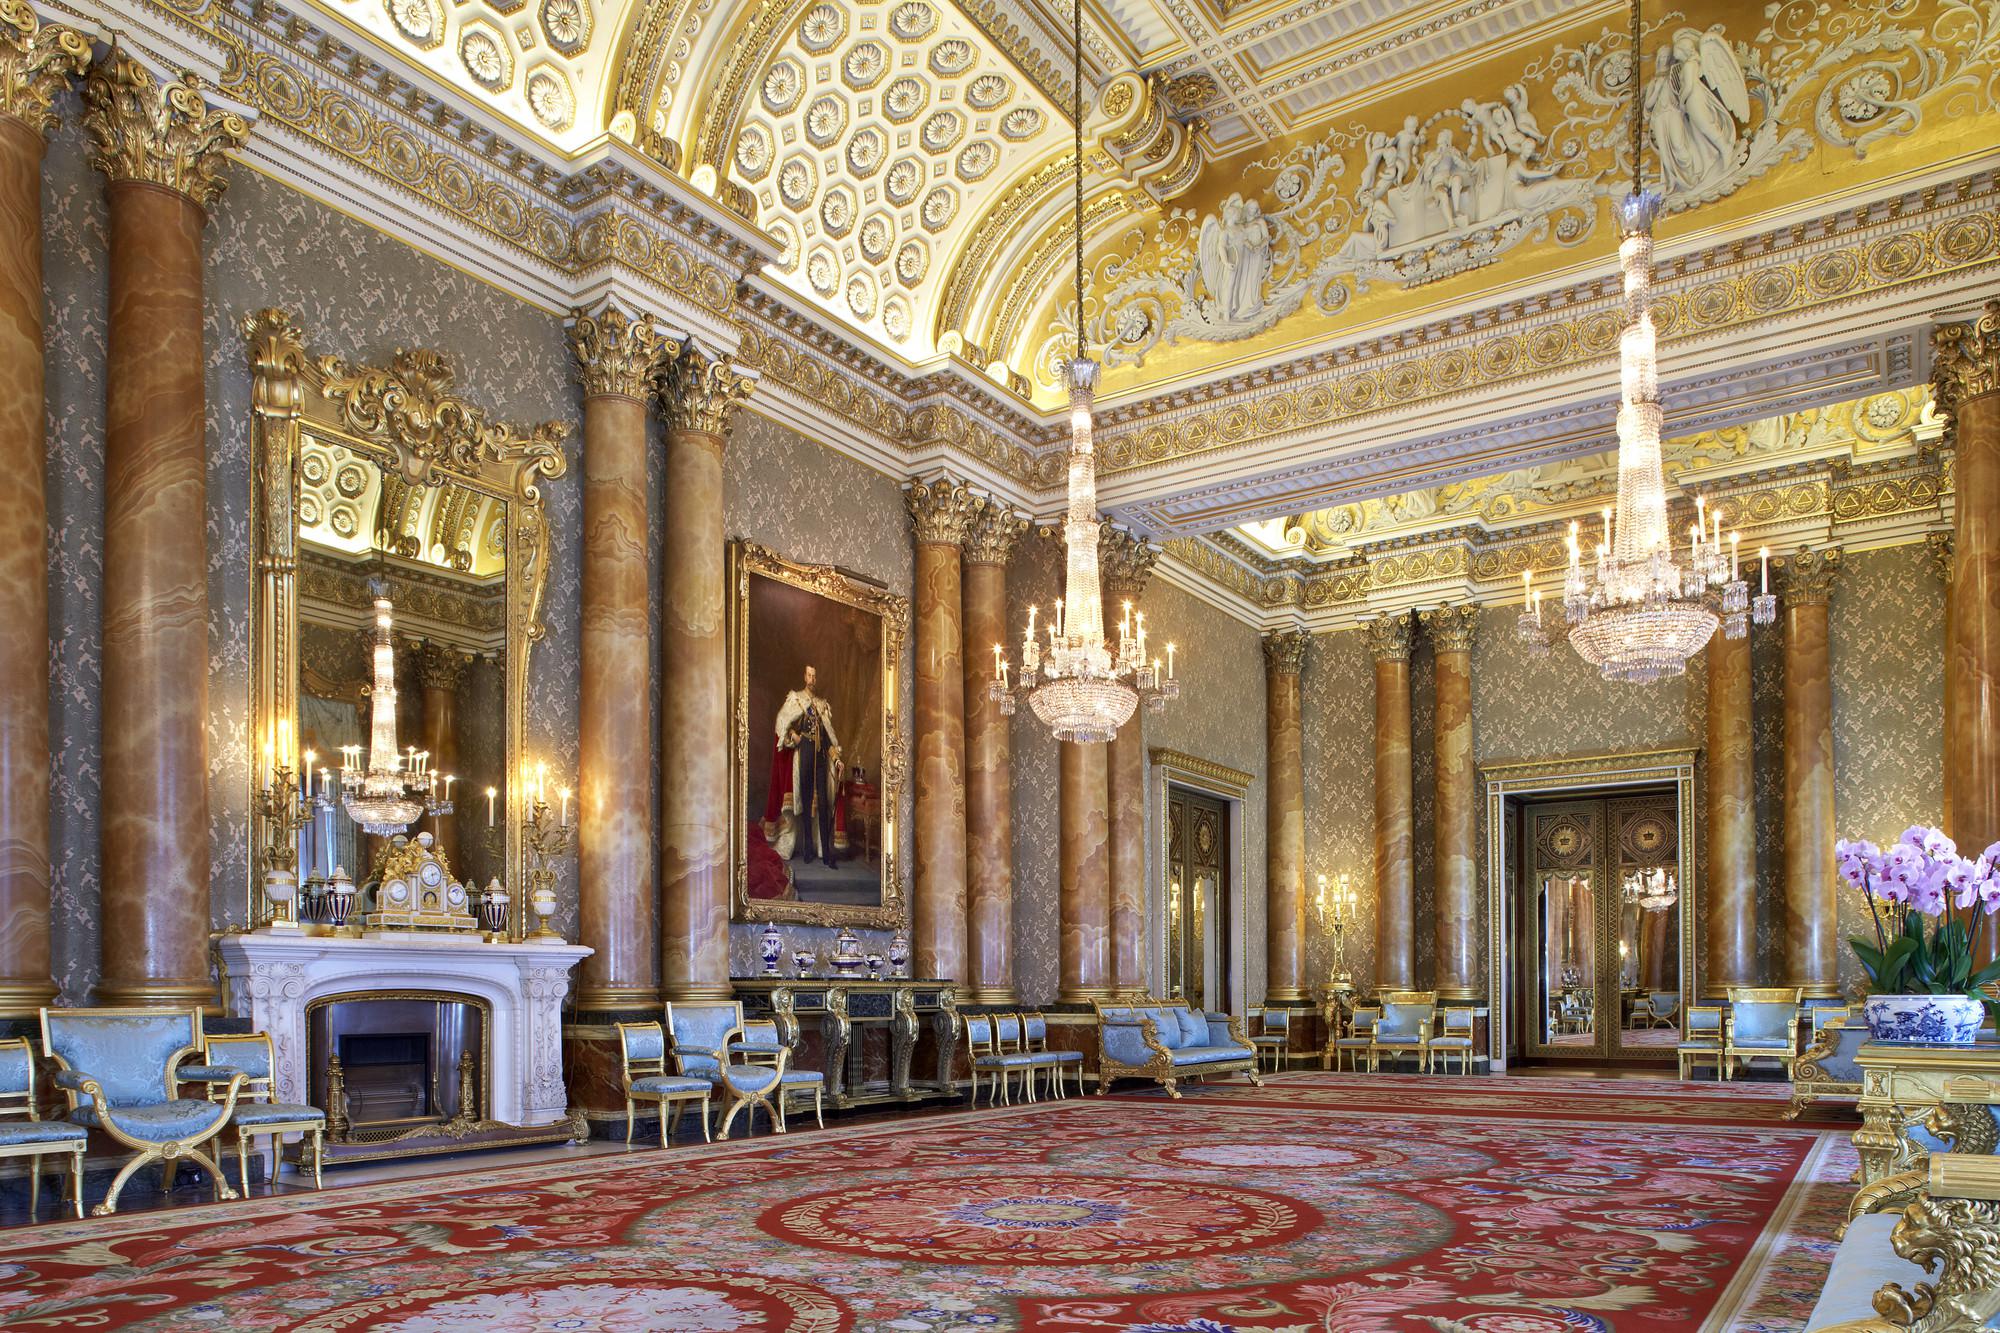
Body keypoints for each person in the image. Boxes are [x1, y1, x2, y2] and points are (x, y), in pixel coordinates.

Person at [767, 664, 843, 869]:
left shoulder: (821, 704)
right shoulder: (797, 699)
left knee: (824, 804)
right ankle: (808, 848)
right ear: (804, 677)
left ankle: (826, 854)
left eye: (814, 676)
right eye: (809, 675)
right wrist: (793, 736)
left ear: (816, 679)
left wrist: (836, 759)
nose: (812, 679)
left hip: (820, 756)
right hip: (805, 753)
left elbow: (827, 738)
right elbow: (783, 721)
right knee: (806, 800)